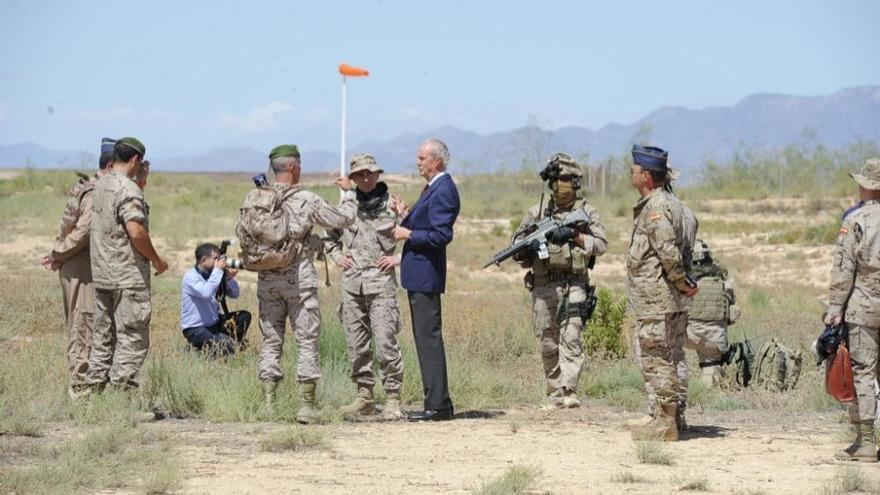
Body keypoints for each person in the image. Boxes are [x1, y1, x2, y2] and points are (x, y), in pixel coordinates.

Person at [255, 144, 356, 424]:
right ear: (293, 167)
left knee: (271, 342)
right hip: (299, 283)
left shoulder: (257, 198)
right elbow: (344, 219)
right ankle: (306, 406)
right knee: (307, 341)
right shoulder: (306, 199)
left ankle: (268, 404)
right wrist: (348, 193)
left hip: (267, 282)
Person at [512, 152, 607, 408]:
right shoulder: (536, 213)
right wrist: (529, 248)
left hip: (574, 282)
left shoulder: (586, 211)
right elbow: (517, 250)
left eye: (568, 178)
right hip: (543, 285)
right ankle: (554, 395)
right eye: (559, 178)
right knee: (548, 341)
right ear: (551, 182)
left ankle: (569, 391)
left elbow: (601, 245)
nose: (563, 183)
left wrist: (575, 236)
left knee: (572, 336)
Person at [83, 137, 168, 393]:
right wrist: (156, 259)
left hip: (102, 276)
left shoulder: (100, 185)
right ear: (134, 160)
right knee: (132, 339)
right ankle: (123, 402)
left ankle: (92, 396)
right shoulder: (128, 190)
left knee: (102, 339)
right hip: (127, 277)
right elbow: (136, 232)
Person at [626, 144, 698, 441]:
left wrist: (682, 282)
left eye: (634, 170)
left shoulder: (656, 208)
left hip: (658, 298)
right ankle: (676, 417)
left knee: (657, 360)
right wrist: (685, 287)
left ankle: (664, 424)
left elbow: (668, 253)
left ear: (646, 176)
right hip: (672, 299)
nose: (630, 173)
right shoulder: (677, 205)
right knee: (675, 357)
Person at [325, 153, 405, 420]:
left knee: (385, 342)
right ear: (354, 178)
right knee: (357, 344)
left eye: (370, 173)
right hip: (352, 285)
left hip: (381, 284)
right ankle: (365, 397)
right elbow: (330, 238)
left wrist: (398, 258)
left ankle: (393, 398)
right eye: (360, 174)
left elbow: (416, 238)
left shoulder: (393, 205)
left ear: (378, 174)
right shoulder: (346, 207)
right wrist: (338, 257)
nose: (366, 178)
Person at [390, 138, 460, 421]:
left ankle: (438, 405)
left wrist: (407, 234)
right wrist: (405, 215)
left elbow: (442, 236)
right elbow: (427, 224)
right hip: (418, 274)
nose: (417, 162)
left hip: (426, 274)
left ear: (436, 161)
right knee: (424, 339)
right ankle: (436, 402)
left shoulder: (444, 189)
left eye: (422, 158)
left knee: (428, 339)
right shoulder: (434, 188)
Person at [41, 137, 114, 399]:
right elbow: (83, 231)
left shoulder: (87, 187)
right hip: (81, 266)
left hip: (78, 263)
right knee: (83, 325)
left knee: (85, 324)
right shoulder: (96, 192)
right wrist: (57, 253)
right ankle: (81, 392)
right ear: (109, 166)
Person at [825, 157, 880, 462]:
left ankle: (867, 442)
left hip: (863, 308)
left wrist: (835, 308)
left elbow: (844, 270)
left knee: (863, 371)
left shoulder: (855, 220)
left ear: (864, 185)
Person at [180, 243, 251, 356]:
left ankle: (228, 344)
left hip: (215, 324)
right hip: (196, 329)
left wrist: (228, 278)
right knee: (226, 346)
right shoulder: (191, 277)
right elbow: (206, 293)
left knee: (244, 316)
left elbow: (235, 294)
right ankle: (195, 349)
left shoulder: (213, 275)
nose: (219, 262)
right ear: (204, 260)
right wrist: (218, 272)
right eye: (215, 259)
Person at [686, 239, 739, 386]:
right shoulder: (725, 284)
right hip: (715, 340)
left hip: (689, 337)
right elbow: (733, 313)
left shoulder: (685, 284)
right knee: (710, 369)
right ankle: (709, 384)